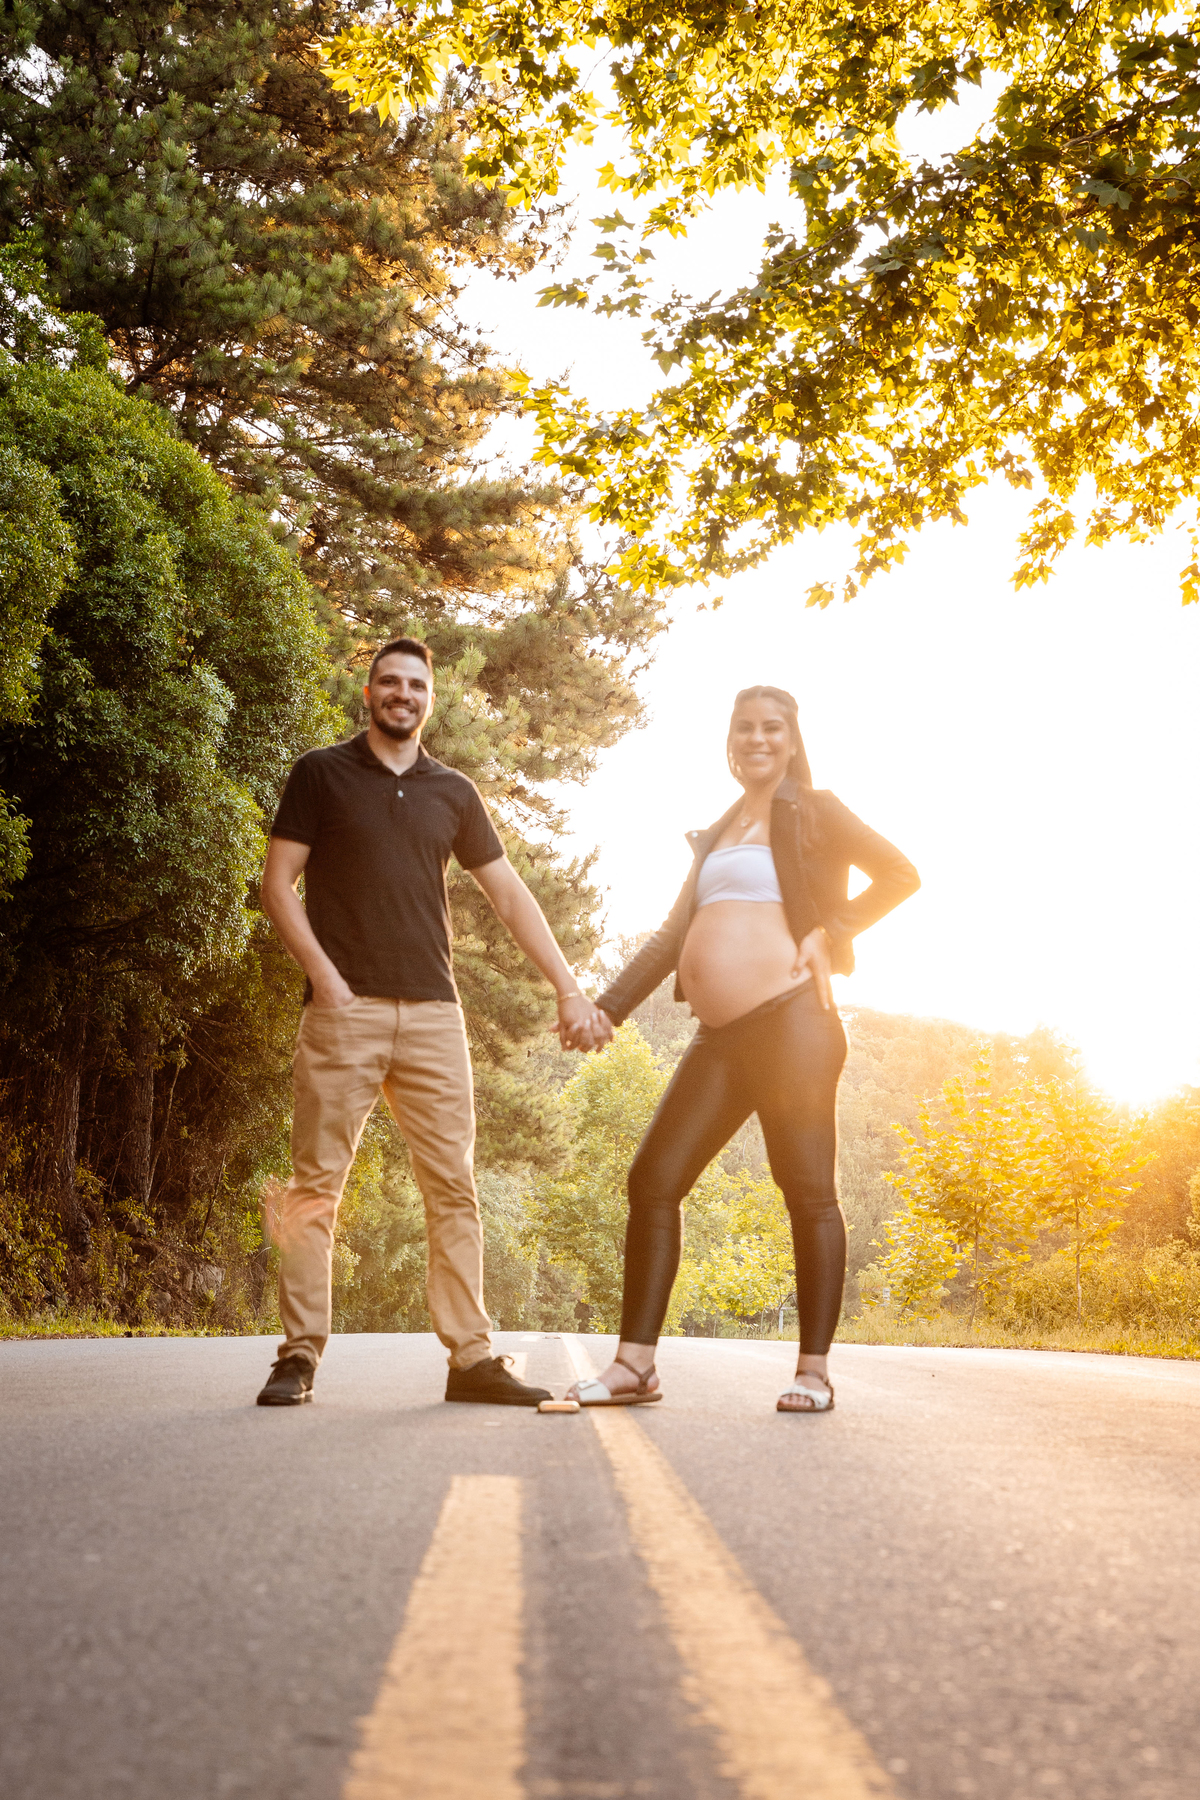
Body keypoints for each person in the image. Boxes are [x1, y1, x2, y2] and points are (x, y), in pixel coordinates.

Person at [256, 636, 608, 1407]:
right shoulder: (321, 773)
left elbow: (509, 895)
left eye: (416, 684)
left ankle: (471, 1360)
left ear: (431, 700)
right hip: (342, 1013)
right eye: (389, 681)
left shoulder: (454, 792)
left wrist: (567, 987)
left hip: (434, 1015)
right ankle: (298, 1356)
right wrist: (325, 978)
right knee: (315, 1188)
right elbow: (278, 883)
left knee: (453, 1187)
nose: (402, 694)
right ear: (369, 691)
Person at [566, 685, 919, 1413]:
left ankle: (813, 1372)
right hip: (719, 1037)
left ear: (791, 740)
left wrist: (831, 929)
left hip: (793, 1024)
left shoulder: (817, 811)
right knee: (654, 1179)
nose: (757, 739)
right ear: (730, 743)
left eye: (772, 728)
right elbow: (670, 938)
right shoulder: (721, 831)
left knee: (807, 1192)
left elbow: (900, 874)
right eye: (744, 728)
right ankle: (636, 1367)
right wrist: (608, 1008)